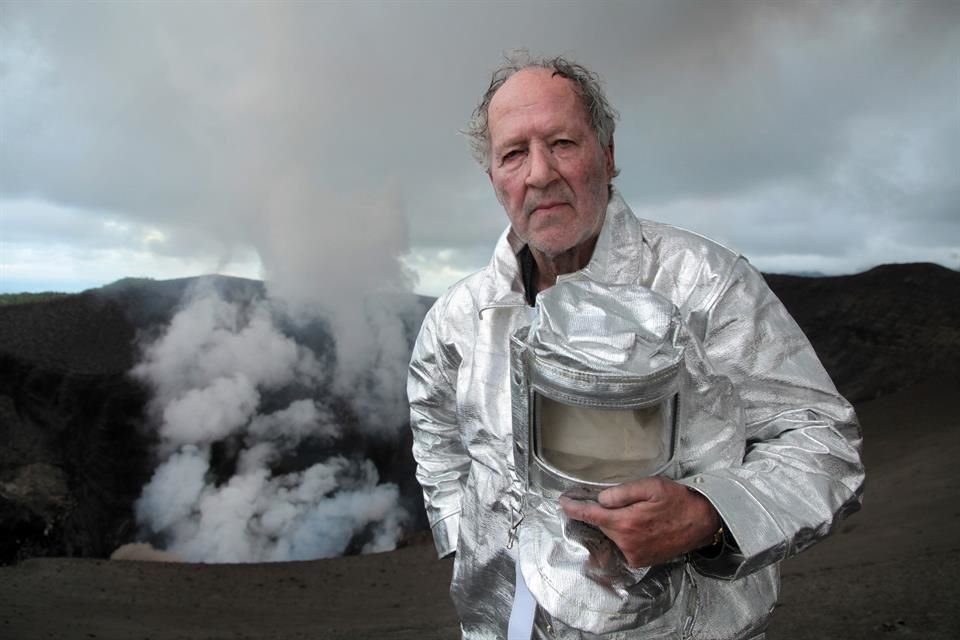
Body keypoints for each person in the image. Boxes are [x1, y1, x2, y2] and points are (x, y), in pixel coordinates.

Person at [408, 54, 864, 640]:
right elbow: (436, 435)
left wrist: (708, 516)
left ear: (609, 153)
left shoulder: (704, 283)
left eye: (563, 143)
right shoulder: (458, 318)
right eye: (514, 153)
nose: (540, 173)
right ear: (494, 176)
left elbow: (824, 444)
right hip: (505, 625)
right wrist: (461, 537)